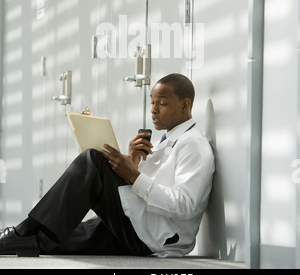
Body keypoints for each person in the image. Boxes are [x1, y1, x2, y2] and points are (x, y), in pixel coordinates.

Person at [0, 73, 215, 258]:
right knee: (50, 239)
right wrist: (133, 162)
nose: (154, 110)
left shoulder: (193, 145)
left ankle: (20, 231)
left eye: (162, 103)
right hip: (139, 223)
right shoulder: (167, 140)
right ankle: (21, 238)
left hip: (154, 237)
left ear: (185, 104)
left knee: (92, 160)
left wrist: (133, 176)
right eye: (152, 102)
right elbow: (151, 185)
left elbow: (186, 206)